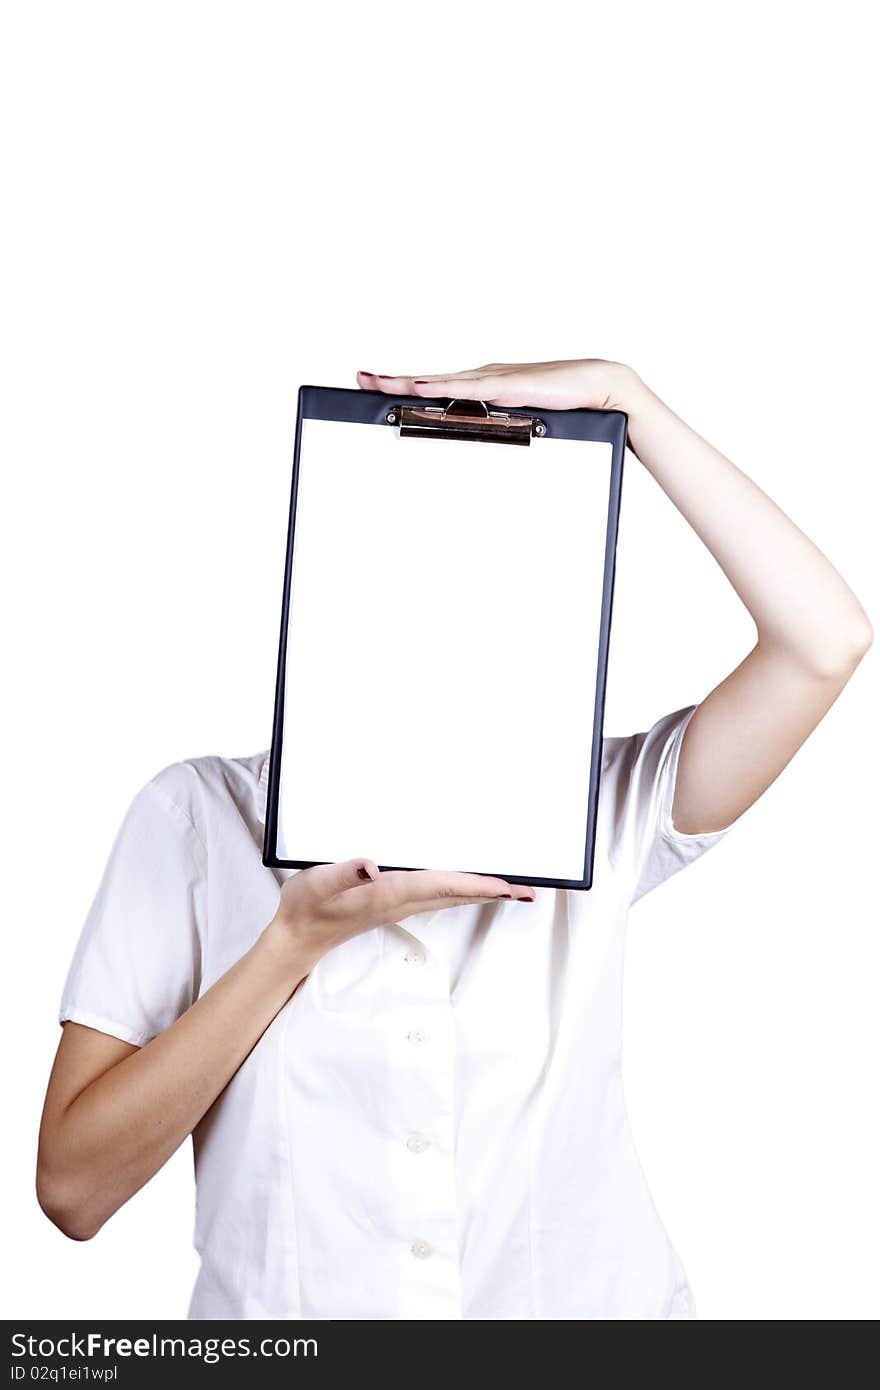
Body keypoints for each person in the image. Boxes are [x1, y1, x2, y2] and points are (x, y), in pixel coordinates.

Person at [36, 359, 872, 1320]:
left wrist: (623, 400)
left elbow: (825, 639)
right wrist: (290, 946)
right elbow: (73, 1190)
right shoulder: (196, 817)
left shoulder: (598, 804)